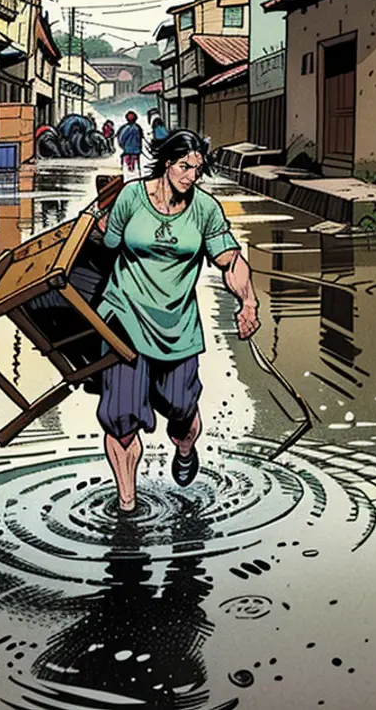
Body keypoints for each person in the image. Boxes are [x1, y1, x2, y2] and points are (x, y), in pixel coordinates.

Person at [94, 130, 260, 514]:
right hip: (124, 316)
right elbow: (108, 246)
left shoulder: (205, 209)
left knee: (182, 412)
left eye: (197, 170)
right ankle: (127, 505)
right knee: (120, 417)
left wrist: (247, 301)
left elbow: (230, 260)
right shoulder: (132, 198)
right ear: (167, 163)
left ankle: (185, 448)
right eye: (184, 166)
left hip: (178, 327)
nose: (191, 176)